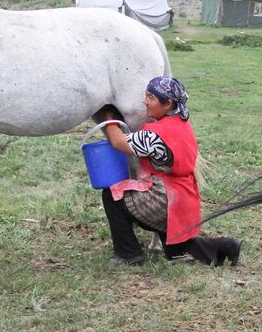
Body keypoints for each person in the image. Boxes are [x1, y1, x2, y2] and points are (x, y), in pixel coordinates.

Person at [100, 76, 241, 267]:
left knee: (112, 195)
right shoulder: (182, 124)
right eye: (146, 95)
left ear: (168, 104)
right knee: (175, 252)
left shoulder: (155, 135)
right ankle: (226, 246)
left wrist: (108, 116)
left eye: (151, 97)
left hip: (164, 200)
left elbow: (118, 142)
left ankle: (129, 254)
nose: (145, 101)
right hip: (183, 198)